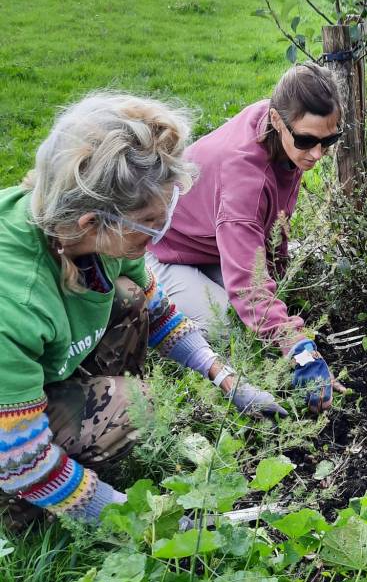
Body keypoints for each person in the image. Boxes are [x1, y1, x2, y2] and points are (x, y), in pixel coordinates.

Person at [0, 91, 284, 527]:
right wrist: (139, 523)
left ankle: (78, 430)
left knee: (130, 295)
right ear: (91, 223)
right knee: (131, 407)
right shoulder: (16, 300)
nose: (162, 230)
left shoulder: (98, 235)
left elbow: (155, 308)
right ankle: (23, 514)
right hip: (9, 450)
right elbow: (23, 462)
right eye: (150, 223)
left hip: (32, 385)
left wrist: (227, 378)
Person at [147, 62, 346, 413]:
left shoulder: (284, 135)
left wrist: (284, 316)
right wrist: (301, 350)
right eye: (307, 141)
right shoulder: (244, 181)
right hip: (163, 252)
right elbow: (250, 289)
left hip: (213, 243)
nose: (317, 153)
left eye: (329, 140)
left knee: (272, 308)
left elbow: (271, 228)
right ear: (275, 120)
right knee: (232, 329)